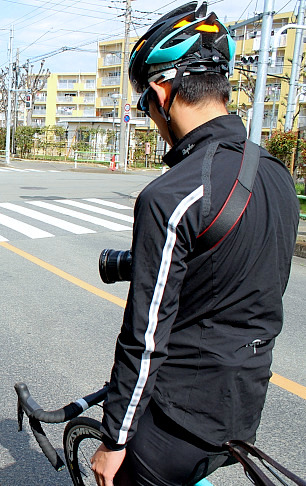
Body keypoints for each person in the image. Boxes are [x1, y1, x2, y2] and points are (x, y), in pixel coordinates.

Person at [90, 3, 300, 485]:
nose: (149, 116)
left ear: (163, 92)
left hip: (175, 420)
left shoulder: (173, 194)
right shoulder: (276, 176)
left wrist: (114, 440)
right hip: (242, 409)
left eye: (145, 104)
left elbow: (145, 337)